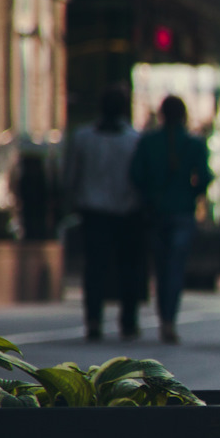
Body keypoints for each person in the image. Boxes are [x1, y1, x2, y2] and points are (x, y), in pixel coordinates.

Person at [63, 85, 146, 341]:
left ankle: (93, 320)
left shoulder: (83, 137)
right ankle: (129, 322)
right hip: (126, 212)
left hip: (93, 211)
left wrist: (71, 200)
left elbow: (71, 174)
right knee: (128, 267)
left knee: (95, 268)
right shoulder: (134, 139)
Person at [129, 95, 214, 344]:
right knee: (175, 268)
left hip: (156, 212)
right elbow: (205, 178)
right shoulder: (194, 144)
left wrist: (150, 196)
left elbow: (135, 175)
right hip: (183, 211)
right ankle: (169, 320)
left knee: (160, 266)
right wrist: (191, 194)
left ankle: (162, 316)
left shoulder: (148, 142)